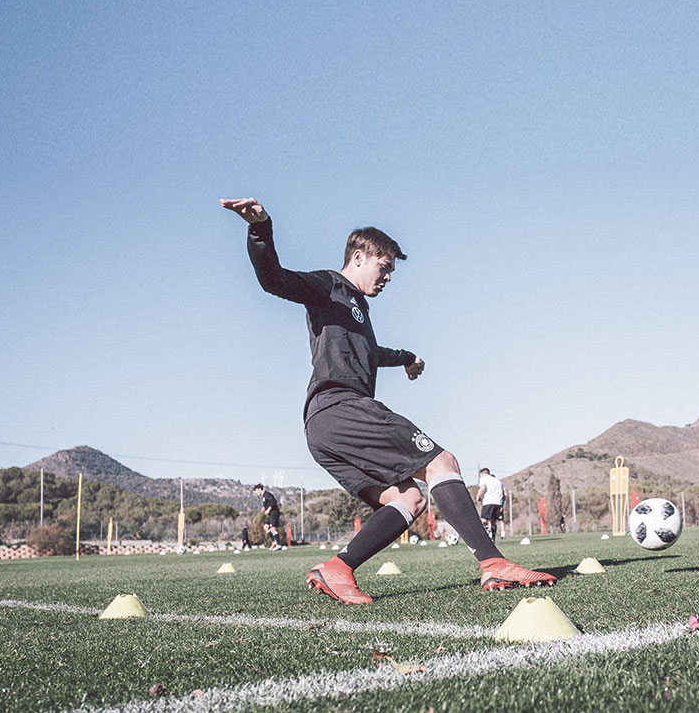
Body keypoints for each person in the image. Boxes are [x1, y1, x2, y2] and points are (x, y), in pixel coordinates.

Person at [223, 198, 554, 603]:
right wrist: (260, 230)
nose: (389, 277)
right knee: (441, 462)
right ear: (359, 257)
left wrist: (408, 359)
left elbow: (373, 353)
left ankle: (337, 569)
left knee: (409, 498)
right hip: (340, 407)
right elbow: (274, 280)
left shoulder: (357, 308)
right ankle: (492, 563)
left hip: (322, 427)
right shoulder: (328, 286)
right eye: (385, 267)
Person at [476, 468, 507, 541]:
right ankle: (492, 537)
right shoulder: (498, 481)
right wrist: (502, 504)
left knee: (484, 519)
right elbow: (504, 494)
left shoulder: (484, 478)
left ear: (482, 473)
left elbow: (483, 488)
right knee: (493, 521)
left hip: (489, 501)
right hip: (498, 503)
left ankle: (485, 536)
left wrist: (478, 496)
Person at [253, 484, 283, 550]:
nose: (256, 493)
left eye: (256, 491)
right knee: (266, 527)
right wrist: (264, 508)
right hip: (271, 514)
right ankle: (274, 542)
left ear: (259, 489)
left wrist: (268, 509)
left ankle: (278, 544)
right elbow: (268, 503)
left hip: (274, 513)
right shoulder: (263, 496)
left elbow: (273, 501)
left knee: (273, 529)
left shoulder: (267, 494)